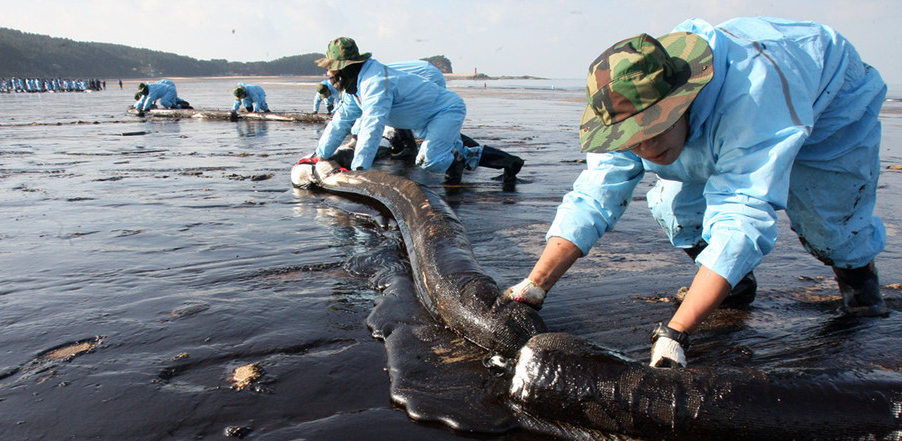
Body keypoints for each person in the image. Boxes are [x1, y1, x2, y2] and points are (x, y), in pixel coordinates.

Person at [504, 17, 888, 368]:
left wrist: (676, 333)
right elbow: (594, 194)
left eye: (655, 130)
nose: (646, 148)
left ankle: (860, 287)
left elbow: (743, 215)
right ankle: (734, 284)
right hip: (719, 115)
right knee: (674, 207)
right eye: (633, 139)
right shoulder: (621, 104)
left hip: (829, 95)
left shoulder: (753, 99)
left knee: (830, 220)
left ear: (683, 101)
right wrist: (535, 285)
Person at [310, 37, 487, 184]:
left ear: (345, 68)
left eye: (331, 69)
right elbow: (340, 122)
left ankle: (461, 159)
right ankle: (465, 156)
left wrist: (359, 170)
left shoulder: (375, 83)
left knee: (429, 160)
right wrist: (320, 155)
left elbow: (373, 125)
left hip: (445, 111)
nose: (328, 73)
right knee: (432, 156)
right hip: (420, 119)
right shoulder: (354, 88)